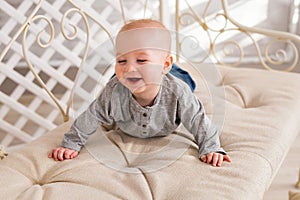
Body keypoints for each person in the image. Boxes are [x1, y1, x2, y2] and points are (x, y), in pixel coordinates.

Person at [48, 19, 231, 167]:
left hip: (171, 80)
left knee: (184, 82)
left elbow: (198, 120)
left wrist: (211, 148)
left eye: (141, 59)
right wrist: (71, 143)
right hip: (131, 84)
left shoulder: (178, 93)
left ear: (165, 64)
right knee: (119, 80)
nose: (129, 68)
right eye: (121, 60)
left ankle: (172, 69)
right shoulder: (113, 92)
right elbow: (91, 116)